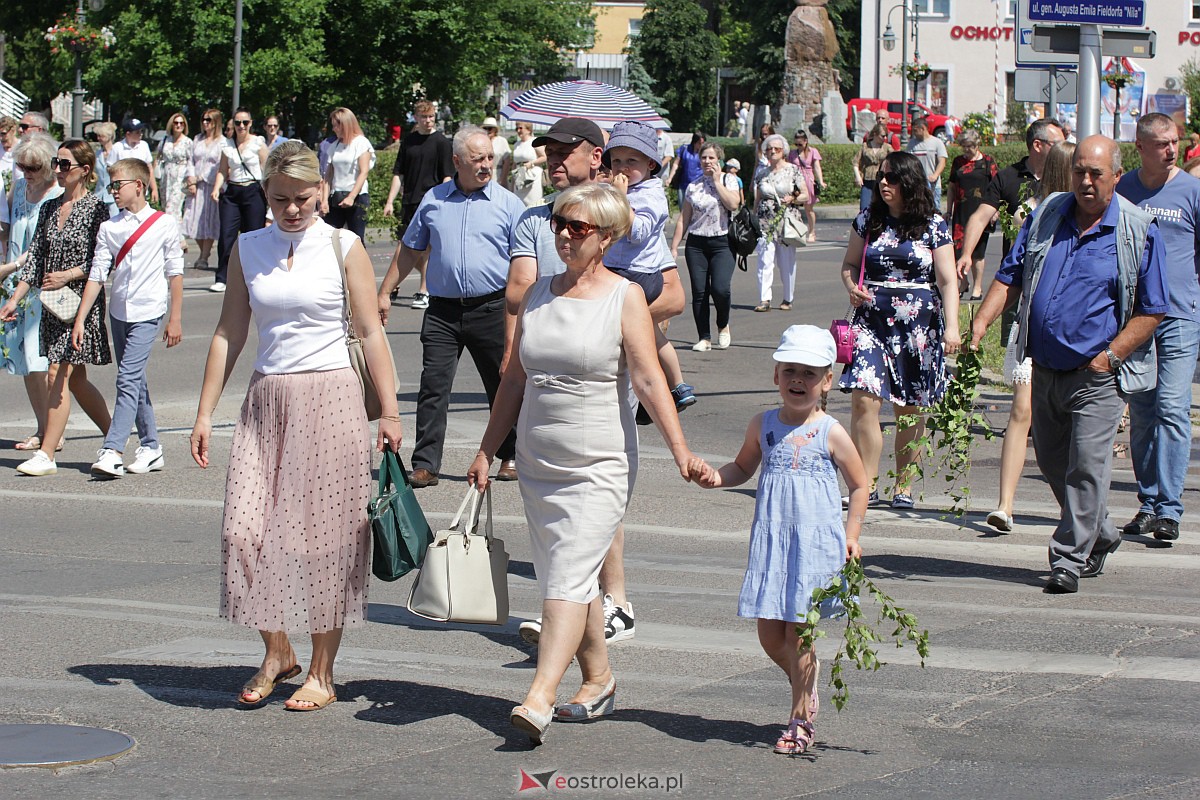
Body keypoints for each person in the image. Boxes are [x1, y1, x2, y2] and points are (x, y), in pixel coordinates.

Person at [466, 183, 700, 744]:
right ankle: (598, 679)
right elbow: (514, 381)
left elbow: (647, 378)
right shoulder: (538, 295)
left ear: (609, 237)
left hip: (601, 460)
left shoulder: (625, 298)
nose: (565, 235)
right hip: (538, 457)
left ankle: (541, 693)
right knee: (567, 575)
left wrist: (680, 448)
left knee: (567, 575)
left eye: (580, 227)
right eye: (560, 224)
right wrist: (485, 449)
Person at [189, 141, 401, 711]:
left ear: (321, 193)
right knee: (243, 531)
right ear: (264, 194)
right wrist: (205, 412)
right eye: (279, 198)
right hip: (266, 400)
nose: (291, 209)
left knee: (325, 542)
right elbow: (230, 332)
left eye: (302, 199)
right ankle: (277, 650)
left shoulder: (344, 245)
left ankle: (321, 672)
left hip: (331, 397)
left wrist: (390, 410)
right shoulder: (247, 247)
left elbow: (370, 331)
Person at [970, 135, 1167, 594]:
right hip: (1045, 368)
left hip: (1097, 375)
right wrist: (980, 322)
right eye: (1079, 170)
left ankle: (1067, 558)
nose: (1085, 180)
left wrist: (1111, 356)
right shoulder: (1047, 216)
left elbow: (1153, 310)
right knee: (1055, 463)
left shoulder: (1137, 230)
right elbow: (1011, 275)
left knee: (1085, 465)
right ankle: (1101, 533)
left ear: (1117, 177)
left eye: (1096, 173)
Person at [689, 325, 867, 755]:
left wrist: (852, 536)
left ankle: (800, 718)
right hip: (774, 544)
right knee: (772, 637)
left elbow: (860, 485)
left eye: (809, 373)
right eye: (790, 370)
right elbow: (742, 467)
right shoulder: (763, 424)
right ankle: (804, 682)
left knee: (800, 635)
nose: (798, 380)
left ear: (827, 381)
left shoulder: (831, 432)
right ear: (775, 375)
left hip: (814, 547)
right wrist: (715, 478)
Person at [505, 118, 640, 648]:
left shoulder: (626, 215)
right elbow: (519, 290)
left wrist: (615, 320)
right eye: (549, 150)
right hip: (545, 370)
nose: (555, 159)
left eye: (566, 150)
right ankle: (594, 663)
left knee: (590, 512)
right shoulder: (533, 219)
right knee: (565, 534)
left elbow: (666, 294)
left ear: (596, 156)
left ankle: (611, 602)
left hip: (604, 378)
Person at [376, 126, 523, 488]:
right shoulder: (435, 200)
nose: (486, 165)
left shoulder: (509, 204)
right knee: (434, 386)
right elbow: (411, 248)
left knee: (501, 381)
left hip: (492, 306)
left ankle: (509, 454)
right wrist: (385, 292)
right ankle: (426, 464)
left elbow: (524, 263)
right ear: (457, 161)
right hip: (442, 311)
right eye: (478, 159)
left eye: (490, 157)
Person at [838, 150, 960, 508]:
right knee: (864, 400)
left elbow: (948, 280)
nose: (883, 184)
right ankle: (866, 484)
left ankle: (904, 485)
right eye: (880, 178)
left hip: (918, 329)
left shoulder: (933, 225)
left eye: (891, 178)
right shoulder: (867, 220)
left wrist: (952, 327)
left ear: (909, 182)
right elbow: (849, 264)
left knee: (909, 407)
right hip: (871, 323)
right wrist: (851, 286)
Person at [0, 140, 113, 476]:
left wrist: (69, 274)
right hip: (51, 304)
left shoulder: (96, 209)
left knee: (57, 374)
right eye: (57, 163)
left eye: (66, 164)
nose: (60, 170)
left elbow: (101, 260)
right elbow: (35, 259)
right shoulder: (51, 208)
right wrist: (13, 300)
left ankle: (47, 454)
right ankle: (115, 438)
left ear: (85, 171)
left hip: (81, 303)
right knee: (76, 380)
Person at [1117, 113, 1200, 544]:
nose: (1173, 150)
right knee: (1144, 413)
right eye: (1163, 144)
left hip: (1180, 318)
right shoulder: (1124, 190)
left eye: (1176, 142)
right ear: (1141, 146)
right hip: (1136, 321)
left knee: (1172, 407)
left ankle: (1169, 509)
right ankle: (1148, 503)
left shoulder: (1191, 190)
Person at [73, 158, 183, 477]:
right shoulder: (110, 228)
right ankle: (151, 446)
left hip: (149, 311)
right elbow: (97, 274)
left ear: (139, 185)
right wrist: (80, 319)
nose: (113, 192)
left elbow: (175, 271)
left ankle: (112, 449)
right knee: (135, 379)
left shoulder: (163, 223)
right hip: (119, 312)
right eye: (111, 186)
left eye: (117, 185)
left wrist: (175, 318)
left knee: (126, 379)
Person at [985, 140, 1074, 534]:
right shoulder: (1037, 215)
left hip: (1074, 335)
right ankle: (1005, 504)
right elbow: (1012, 273)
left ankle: (1074, 510)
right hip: (1031, 327)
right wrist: (982, 321)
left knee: (1067, 426)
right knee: (1022, 411)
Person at [602, 121, 696, 411]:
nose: (622, 168)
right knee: (647, 331)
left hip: (639, 273)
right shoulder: (618, 188)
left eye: (632, 161)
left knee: (618, 330)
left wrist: (619, 197)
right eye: (616, 161)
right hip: (616, 269)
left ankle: (648, 390)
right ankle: (677, 386)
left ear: (651, 164)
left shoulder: (650, 194)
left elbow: (637, 231)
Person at [0, 133, 61, 452]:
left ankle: (54, 429)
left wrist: (18, 266)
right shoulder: (19, 188)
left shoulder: (58, 193)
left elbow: (49, 244)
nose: (26, 172)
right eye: (22, 166)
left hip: (44, 284)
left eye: (33, 167)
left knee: (43, 361)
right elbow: (7, 228)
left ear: (49, 167)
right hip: (14, 284)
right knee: (24, 361)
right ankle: (42, 427)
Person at [382, 100, 454, 309]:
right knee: (405, 246)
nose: (428, 120)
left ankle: (425, 290)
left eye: (431, 116)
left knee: (428, 249)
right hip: (410, 200)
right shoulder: (409, 141)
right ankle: (398, 284)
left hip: (432, 201)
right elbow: (399, 174)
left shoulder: (441, 141)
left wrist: (443, 201)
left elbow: (447, 176)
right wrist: (389, 201)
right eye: (424, 117)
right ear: (416, 118)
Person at [669, 141, 740, 352]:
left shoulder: (730, 180)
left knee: (720, 289)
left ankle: (723, 325)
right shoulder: (694, 186)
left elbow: (733, 204)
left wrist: (718, 182)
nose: (707, 161)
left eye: (711, 158)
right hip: (696, 244)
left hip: (722, 242)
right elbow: (684, 218)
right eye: (704, 158)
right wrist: (674, 247)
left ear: (719, 160)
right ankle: (704, 337)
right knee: (700, 292)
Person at [210, 108, 268, 293]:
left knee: (253, 235)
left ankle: (255, 274)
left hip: (253, 190)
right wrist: (216, 188)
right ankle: (222, 277)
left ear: (250, 124)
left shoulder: (258, 143)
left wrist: (270, 194)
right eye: (237, 123)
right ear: (233, 124)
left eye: (245, 123)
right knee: (227, 235)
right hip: (233, 190)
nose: (241, 126)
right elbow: (222, 169)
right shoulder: (227, 145)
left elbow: (266, 169)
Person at [754, 134, 807, 313]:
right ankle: (764, 299)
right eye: (769, 149)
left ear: (783, 151)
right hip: (764, 222)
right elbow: (757, 198)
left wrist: (792, 198)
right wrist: (753, 218)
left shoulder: (793, 170)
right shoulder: (762, 173)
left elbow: (805, 195)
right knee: (764, 262)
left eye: (777, 149)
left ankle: (788, 297)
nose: (773, 152)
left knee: (786, 263)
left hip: (786, 222)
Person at [947, 128, 998, 301]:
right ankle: (964, 283)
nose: (966, 150)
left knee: (978, 252)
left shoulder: (988, 162)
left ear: (977, 145)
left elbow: (996, 188)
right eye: (963, 147)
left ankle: (977, 287)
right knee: (959, 250)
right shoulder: (958, 162)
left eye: (969, 146)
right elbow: (952, 186)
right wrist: (949, 210)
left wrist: (995, 211)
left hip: (982, 211)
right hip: (961, 211)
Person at [320, 107, 375, 241]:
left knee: (356, 238)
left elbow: (364, 172)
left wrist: (351, 197)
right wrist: (324, 200)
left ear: (345, 125)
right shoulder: (334, 146)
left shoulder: (361, 143)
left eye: (336, 126)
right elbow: (328, 176)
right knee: (330, 237)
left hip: (356, 196)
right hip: (337, 195)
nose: (334, 129)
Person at [183, 109, 224, 271]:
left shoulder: (222, 142)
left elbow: (219, 165)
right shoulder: (197, 139)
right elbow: (190, 161)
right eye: (203, 119)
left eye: (209, 120)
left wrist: (201, 178)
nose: (205, 122)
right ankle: (202, 251)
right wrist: (191, 179)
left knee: (208, 221)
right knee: (193, 221)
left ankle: (204, 256)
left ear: (216, 122)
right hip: (196, 188)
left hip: (211, 186)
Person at [155, 112, 194, 255]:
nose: (178, 126)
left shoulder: (188, 142)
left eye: (181, 123)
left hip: (180, 176)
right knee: (167, 209)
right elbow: (158, 157)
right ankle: (173, 239)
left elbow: (191, 161)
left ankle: (179, 241)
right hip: (166, 177)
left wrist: (191, 179)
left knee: (173, 209)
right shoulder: (166, 140)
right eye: (176, 123)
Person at [787, 130, 825, 244]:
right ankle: (795, 231)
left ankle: (812, 231)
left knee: (809, 209)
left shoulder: (813, 152)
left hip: (808, 181)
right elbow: (788, 167)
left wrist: (821, 181)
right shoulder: (792, 153)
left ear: (806, 141)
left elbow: (817, 167)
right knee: (792, 207)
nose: (798, 146)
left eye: (800, 144)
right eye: (796, 144)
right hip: (795, 182)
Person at [110, 119, 159, 206]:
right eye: (137, 132)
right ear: (128, 134)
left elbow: (149, 168)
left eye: (141, 131)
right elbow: (111, 170)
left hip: (141, 191)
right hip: (124, 193)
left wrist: (154, 189)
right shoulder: (117, 147)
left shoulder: (144, 145)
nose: (141, 134)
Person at [906, 117, 947, 210]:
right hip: (916, 183)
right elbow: (907, 161)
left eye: (915, 130)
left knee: (934, 209)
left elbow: (942, 161)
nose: (914, 133)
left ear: (923, 128)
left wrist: (935, 175)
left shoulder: (937, 142)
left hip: (933, 185)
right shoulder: (912, 143)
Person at [854, 123, 892, 212]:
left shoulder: (887, 147)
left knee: (882, 207)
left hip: (881, 181)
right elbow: (855, 162)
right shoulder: (865, 146)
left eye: (886, 135)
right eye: (882, 136)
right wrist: (858, 176)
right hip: (867, 181)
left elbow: (896, 160)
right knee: (864, 207)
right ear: (875, 134)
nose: (885, 138)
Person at [507, 121, 546, 208]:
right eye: (516, 128)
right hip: (519, 178)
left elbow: (544, 157)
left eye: (521, 128)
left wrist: (532, 163)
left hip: (533, 177)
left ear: (528, 130)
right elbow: (514, 163)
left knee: (534, 203)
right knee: (519, 203)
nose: (518, 130)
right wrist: (512, 181)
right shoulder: (517, 144)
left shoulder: (534, 142)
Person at [665, 132, 706, 207]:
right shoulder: (684, 149)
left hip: (699, 185)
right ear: (694, 141)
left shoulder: (704, 153)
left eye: (703, 143)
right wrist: (670, 178)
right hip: (684, 184)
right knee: (682, 209)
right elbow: (675, 164)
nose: (701, 145)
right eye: (699, 143)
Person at [482, 117, 511, 184]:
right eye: (485, 128)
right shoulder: (481, 141)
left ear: (495, 130)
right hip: (483, 173)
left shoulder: (502, 141)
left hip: (498, 173)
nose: (487, 130)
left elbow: (507, 161)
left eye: (490, 128)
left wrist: (503, 179)